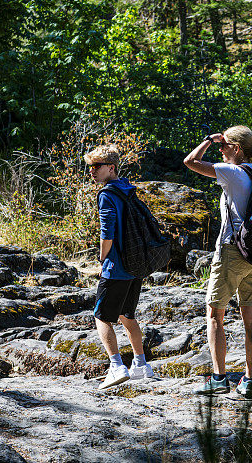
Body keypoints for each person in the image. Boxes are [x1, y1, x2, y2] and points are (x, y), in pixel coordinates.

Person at [183, 125, 252, 397]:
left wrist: (209, 140)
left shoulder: (233, 172)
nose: (221, 150)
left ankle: (219, 378)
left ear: (236, 148)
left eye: (224, 145)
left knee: (214, 315)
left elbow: (190, 162)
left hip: (232, 251)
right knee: (251, 317)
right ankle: (249, 380)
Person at [85, 144, 156, 389]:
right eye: (90, 166)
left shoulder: (107, 194)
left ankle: (116, 367)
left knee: (101, 316)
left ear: (111, 167)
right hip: (136, 264)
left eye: (97, 166)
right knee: (127, 315)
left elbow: (107, 233)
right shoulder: (128, 189)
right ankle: (141, 365)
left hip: (116, 266)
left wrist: (102, 257)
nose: (92, 171)